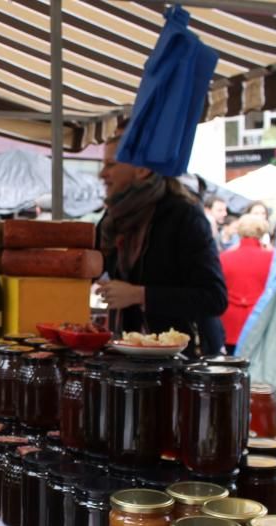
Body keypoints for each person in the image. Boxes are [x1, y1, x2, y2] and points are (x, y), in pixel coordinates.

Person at [96, 128, 228, 356]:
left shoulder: (184, 217)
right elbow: (92, 264)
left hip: (184, 363)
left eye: (111, 165)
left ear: (142, 169)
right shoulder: (113, 219)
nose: (102, 174)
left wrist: (140, 294)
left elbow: (214, 298)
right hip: (133, 358)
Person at [220, 213, 274, 353]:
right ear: (262, 232)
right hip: (258, 319)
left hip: (229, 321)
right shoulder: (272, 259)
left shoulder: (225, 257)